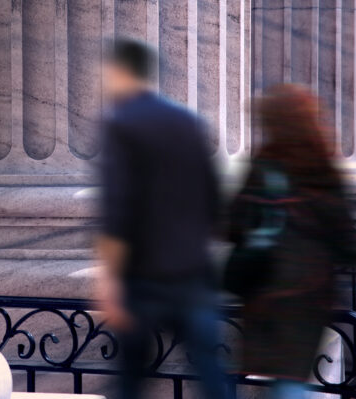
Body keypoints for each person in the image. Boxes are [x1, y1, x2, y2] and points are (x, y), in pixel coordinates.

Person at [225, 84, 356, 399]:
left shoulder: (265, 162)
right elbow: (344, 232)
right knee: (289, 377)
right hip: (307, 292)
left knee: (274, 376)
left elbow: (233, 223)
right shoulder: (318, 163)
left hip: (263, 288)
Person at [95, 38, 226, 399]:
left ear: (120, 72)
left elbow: (117, 209)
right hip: (193, 273)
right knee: (210, 370)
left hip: (144, 279)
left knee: (131, 379)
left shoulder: (121, 124)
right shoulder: (189, 122)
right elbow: (215, 201)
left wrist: (108, 281)